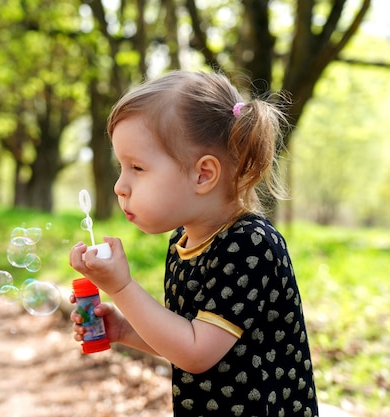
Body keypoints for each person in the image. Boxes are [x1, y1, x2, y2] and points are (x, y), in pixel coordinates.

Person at [69, 71, 318, 417]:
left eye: (137, 168)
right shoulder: (183, 242)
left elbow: (196, 352)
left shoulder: (250, 244)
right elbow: (186, 334)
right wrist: (126, 329)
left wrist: (121, 287)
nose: (119, 186)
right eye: (120, 168)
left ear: (203, 174)